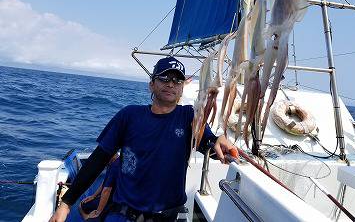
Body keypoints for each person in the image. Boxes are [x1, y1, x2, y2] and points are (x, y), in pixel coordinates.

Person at [50, 56, 237, 222]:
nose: (170, 84)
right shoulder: (129, 115)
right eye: (164, 78)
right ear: (151, 84)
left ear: (181, 88)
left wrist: (217, 142)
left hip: (167, 216)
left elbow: (207, 143)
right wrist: (66, 204)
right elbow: (99, 159)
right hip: (123, 215)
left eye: (177, 80)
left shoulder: (190, 116)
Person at [79, 154, 120, 221]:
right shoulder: (114, 162)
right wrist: (93, 196)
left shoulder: (114, 166)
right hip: (115, 198)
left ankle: (88, 219)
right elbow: (105, 182)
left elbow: (107, 190)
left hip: (112, 202)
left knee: (81, 206)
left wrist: (98, 212)